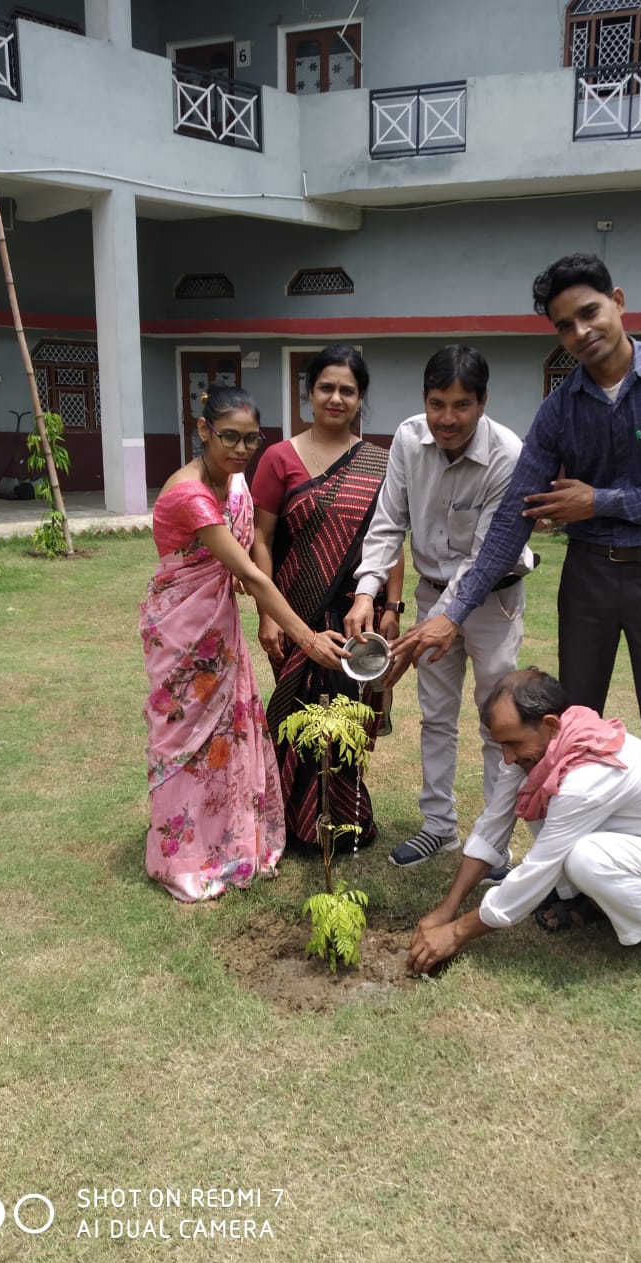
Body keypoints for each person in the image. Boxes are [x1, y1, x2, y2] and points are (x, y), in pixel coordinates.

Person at [394, 254, 641, 785]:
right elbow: (511, 521)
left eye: (589, 313)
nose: (580, 332)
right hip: (588, 579)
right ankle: (578, 829)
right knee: (575, 723)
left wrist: (601, 502)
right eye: (564, 325)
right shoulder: (560, 408)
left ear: (617, 302)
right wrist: (454, 613)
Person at [139, 384, 346, 903]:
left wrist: (267, 618)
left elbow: (251, 553)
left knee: (226, 734)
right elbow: (250, 573)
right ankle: (181, 858)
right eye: (229, 437)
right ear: (203, 430)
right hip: (183, 629)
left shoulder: (233, 483)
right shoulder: (190, 493)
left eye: (251, 439)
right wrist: (306, 637)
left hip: (220, 623)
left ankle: (228, 842)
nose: (241, 449)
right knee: (184, 738)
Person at [408, 669, 641, 1004]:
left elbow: (538, 872)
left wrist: (456, 932)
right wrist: (447, 909)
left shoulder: (586, 777)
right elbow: (492, 828)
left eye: (513, 743)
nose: (508, 757)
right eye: (502, 744)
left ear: (549, 724)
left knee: (586, 858)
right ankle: (594, 902)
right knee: (538, 803)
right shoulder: (545, 752)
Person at [345, 345, 534, 869]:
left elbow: (486, 558)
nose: (447, 419)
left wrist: (443, 620)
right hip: (432, 591)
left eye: (461, 405)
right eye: (437, 404)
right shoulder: (408, 439)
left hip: (493, 599)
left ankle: (494, 843)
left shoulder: (508, 455)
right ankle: (438, 826)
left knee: (498, 720)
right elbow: (388, 522)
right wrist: (366, 592)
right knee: (435, 717)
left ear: (483, 402)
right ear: (423, 400)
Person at [250, 345, 404, 852]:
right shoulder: (279, 458)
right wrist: (268, 615)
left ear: (360, 398)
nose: (336, 398)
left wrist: (391, 607)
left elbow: (389, 539)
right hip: (295, 608)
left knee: (345, 714)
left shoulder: (379, 462)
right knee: (297, 711)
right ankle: (293, 820)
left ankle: (343, 818)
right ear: (310, 392)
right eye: (326, 388)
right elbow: (261, 540)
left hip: (356, 611)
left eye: (348, 390)